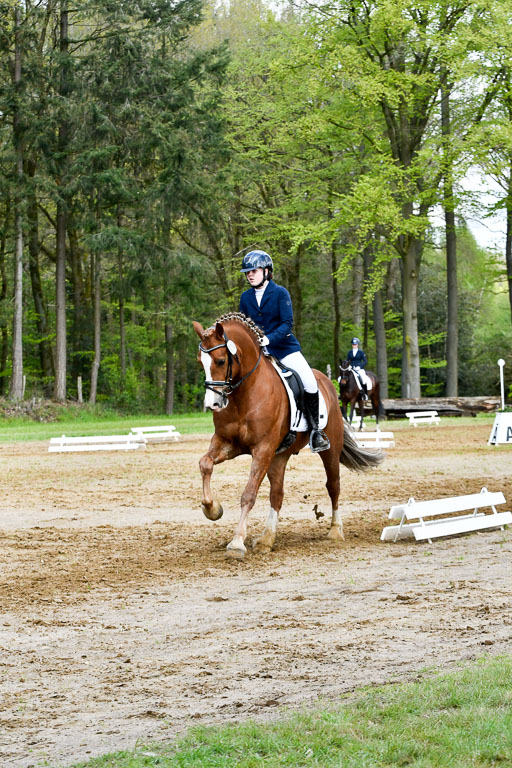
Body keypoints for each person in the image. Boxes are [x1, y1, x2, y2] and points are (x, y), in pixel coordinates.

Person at [239, 249, 330, 453]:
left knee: (309, 382)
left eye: (254, 271)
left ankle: (316, 431)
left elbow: (287, 323)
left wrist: (268, 339)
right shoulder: (245, 298)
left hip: (284, 349)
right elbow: (244, 326)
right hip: (259, 354)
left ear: (266, 271)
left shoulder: (280, 293)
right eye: (247, 272)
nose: (250, 275)